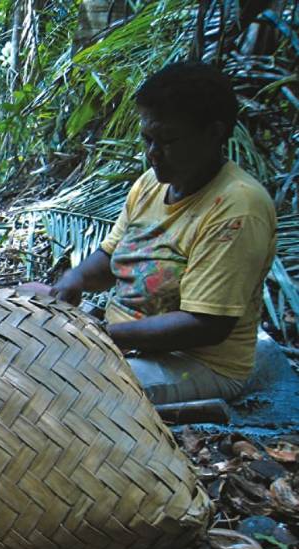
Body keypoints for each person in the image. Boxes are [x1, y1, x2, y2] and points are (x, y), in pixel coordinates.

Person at [24, 62, 276, 404]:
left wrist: (102, 336)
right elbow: (110, 257)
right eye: (148, 139)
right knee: (22, 299)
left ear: (214, 133)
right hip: (125, 338)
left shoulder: (238, 207)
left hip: (195, 364)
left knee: (52, 388)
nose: (152, 153)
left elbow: (205, 325)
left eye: (168, 139)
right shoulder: (151, 184)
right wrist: (74, 280)